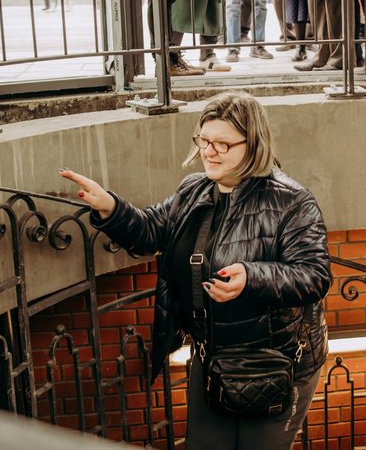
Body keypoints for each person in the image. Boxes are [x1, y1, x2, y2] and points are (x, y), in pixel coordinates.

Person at [59, 91, 331, 447]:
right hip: (210, 357)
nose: (209, 151)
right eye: (204, 140)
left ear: (253, 145)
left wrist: (252, 277)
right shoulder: (193, 190)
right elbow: (150, 231)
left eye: (222, 143)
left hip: (275, 362)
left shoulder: (292, 201)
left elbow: (314, 275)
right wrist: (110, 207)